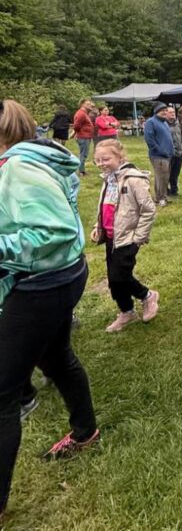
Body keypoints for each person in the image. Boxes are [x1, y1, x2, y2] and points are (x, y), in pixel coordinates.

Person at [0, 100, 99, 519]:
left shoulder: (19, 168)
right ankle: (85, 431)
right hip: (60, 276)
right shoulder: (31, 158)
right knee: (57, 357)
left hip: (43, 283)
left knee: (2, 394)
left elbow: (54, 229)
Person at [91, 139, 159, 333]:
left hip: (128, 237)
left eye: (106, 159)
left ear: (120, 157)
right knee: (114, 279)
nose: (102, 163)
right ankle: (126, 311)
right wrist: (99, 225)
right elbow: (105, 206)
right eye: (98, 160)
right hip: (112, 237)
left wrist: (139, 237)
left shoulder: (133, 179)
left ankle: (147, 295)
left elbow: (148, 210)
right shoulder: (108, 179)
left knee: (119, 275)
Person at [143, 102, 174, 207]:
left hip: (167, 155)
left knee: (163, 177)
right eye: (162, 110)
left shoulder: (164, 122)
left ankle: (160, 197)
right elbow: (149, 139)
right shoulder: (151, 122)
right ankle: (161, 198)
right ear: (156, 111)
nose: (165, 112)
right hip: (158, 155)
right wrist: (160, 150)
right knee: (162, 177)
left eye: (166, 110)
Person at [72, 98, 95, 176]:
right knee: (83, 154)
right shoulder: (81, 113)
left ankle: (82, 170)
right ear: (82, 105)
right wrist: (78, 132)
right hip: (83, 137)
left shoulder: (85, 113)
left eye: (90, 104)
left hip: (86, 136)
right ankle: (81, 171)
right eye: (87, 104)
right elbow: (76, 126)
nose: (90, 106)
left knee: (84, 154)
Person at [166, 107, 182, 197]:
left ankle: (174, 189)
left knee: (175, 172)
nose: (173, 114)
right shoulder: (164, 124)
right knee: (167, 172)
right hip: (169, 153)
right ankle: (165, 190)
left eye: (173, 112)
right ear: (166, 114)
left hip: (179, 151)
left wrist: (181, 146)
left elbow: (181, 135)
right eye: (170, 112)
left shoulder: (177, 123)